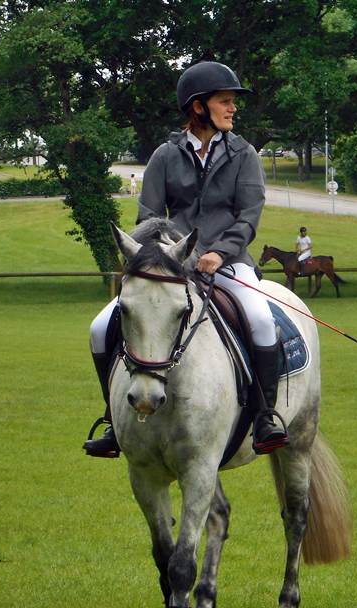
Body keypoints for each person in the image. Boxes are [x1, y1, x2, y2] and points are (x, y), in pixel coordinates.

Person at [83, 60, 289, 458]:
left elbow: (248, 217)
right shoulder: (164, 155)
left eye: (232, 102)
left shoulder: (244, 154)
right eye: (225, 101)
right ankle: (112, 417)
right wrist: (176, 257)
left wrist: (218, 253)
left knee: (262, 319)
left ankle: (265, 416)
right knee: (98, 327)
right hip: (172, 268)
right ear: (199, 107)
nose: (233, 109)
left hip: (228, 263)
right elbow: (148, 220)